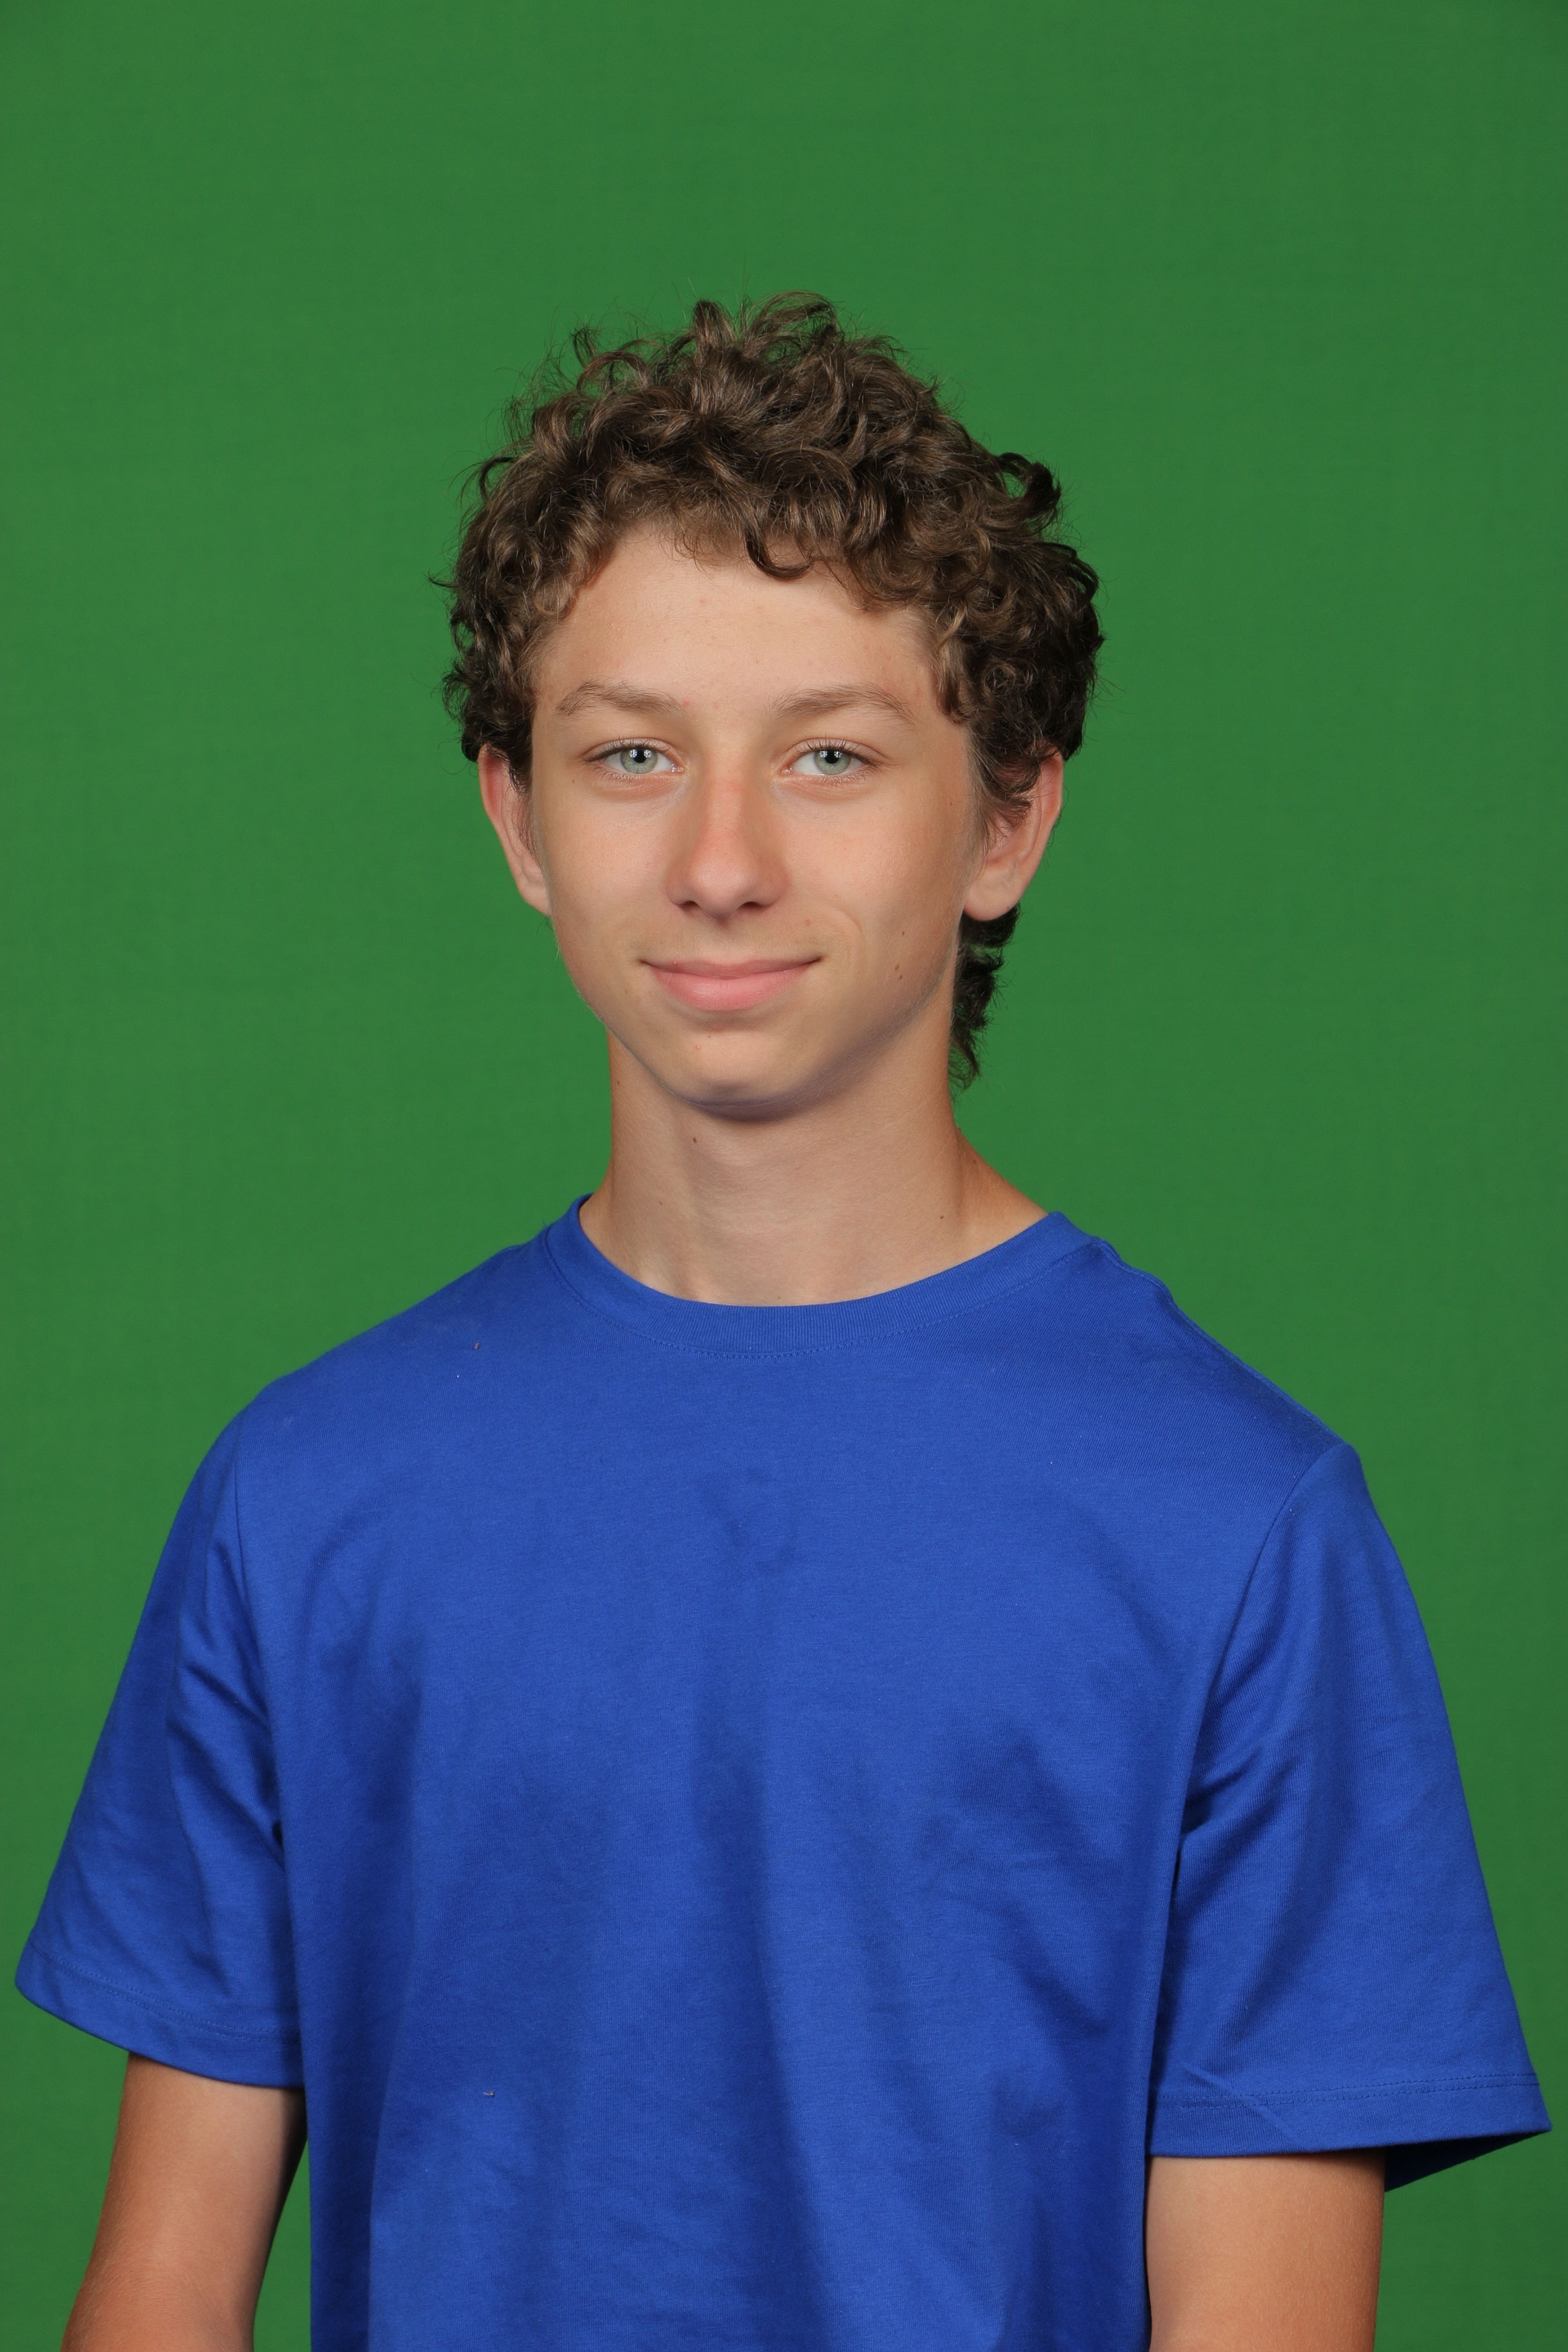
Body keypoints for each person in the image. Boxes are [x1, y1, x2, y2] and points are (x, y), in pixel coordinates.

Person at [19, 295, 1545, 2352]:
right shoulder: (302, 1498)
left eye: (830, 755)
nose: (720, 860)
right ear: (516, 820)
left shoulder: (1241, 1532)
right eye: (630, 755)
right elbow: (163, 2294)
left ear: (1006, 821)